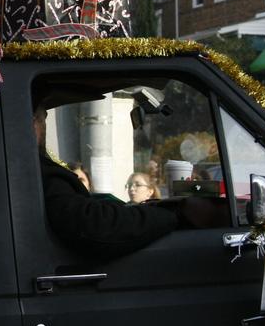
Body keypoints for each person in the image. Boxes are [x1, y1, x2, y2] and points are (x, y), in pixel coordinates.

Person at [35, 104, 180, 259]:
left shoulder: (34, 173)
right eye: (41, 117)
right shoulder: (38, 174)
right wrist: (175, 214)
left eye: (137, 185)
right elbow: (94, 227)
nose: (132, 189)